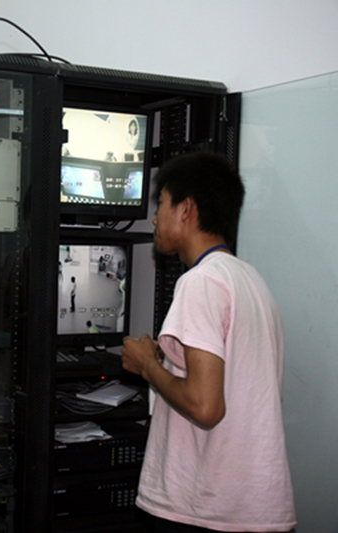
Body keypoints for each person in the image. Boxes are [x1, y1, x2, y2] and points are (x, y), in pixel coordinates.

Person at [121, 152, 296, 532]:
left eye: (161, 204)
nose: (155, 218)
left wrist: (147, 365)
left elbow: (205, 406)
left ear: (186, 209)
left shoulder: (200, 282)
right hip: (251, 506)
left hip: (205, 509)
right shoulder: (249, 279)